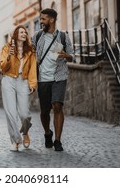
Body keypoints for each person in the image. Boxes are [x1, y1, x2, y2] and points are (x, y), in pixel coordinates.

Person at [31, 8, 74, 152]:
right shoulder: (37, 37)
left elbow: (72, 55)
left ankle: (57, 140)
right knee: (44, 111)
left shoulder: (62, 36)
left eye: (43, 19)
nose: (41, 22)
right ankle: (47, 133)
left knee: (57, 106)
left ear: (52, 20)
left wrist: (65, 55)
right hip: (43, 78)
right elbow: (29, 54)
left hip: (59, 76)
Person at [0, 25, 37, 151]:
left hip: (23, 80)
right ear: (15, 35)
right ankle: (16, 140)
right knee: (11, 113)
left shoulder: (30, 50)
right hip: (8, 79)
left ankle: (25, 132)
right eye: (21, 32)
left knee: (25, 114)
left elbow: (33, 69)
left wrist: (32, 84)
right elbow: (3, 68)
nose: (24, 34)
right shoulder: (6, 48)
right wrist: (9, 56)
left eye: (25, 32)